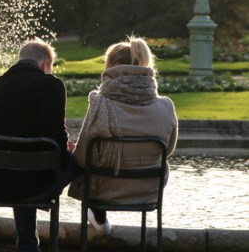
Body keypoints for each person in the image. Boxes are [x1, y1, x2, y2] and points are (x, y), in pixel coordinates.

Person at [0, 38, 80, 252]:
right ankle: (96, 218)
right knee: (78, 161)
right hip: (34, 180)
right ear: (44, 65)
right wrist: (67, 153)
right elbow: (55, 135)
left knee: (22, 166)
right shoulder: (50, 85)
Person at [68, 36, 178, 234]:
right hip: (148, 191)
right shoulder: (166, 106)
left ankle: (99, 214)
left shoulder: (99, 104)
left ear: (110, 68)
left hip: (104, 191)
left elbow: (82, 160)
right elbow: (167, 151)